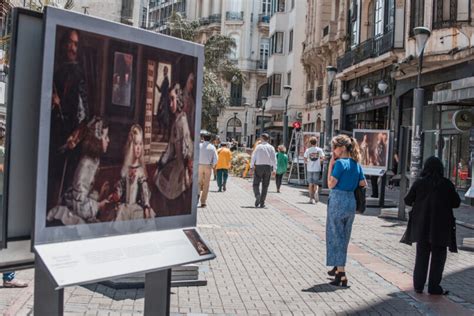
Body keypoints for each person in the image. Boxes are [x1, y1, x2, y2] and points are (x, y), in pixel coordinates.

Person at [401, 156, 460, 295]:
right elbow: (456, 203)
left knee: (421, 256)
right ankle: (434, 287)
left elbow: (408, 200)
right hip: (441, 228)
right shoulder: (447, 184)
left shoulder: (419, 183)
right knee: (438, 258)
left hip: (422, 226)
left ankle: (418, 286)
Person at [49, 29, 90, 209]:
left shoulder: (79, 73)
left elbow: (83, 111)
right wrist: (52, 102)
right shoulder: (57, 70)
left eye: (75, 44)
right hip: (55, 133)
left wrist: (76, 134)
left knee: (66, 186)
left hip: (71, 138)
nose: (71, 48)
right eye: (69, 43)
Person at [47, 117, 111, 225]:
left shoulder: (94, 160)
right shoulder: (87, 164)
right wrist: (99, 206)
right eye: (105, 136)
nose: (108, 140)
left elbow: (85, 192)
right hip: (72, 214)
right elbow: (78, 205)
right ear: (97, 140)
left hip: (79, 209)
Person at [326, 135, 367, 287]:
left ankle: (341, 273)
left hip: (338, 199)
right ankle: (338, 269)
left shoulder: (340, 164)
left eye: (334, 147)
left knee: (335, 235)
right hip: (351, 201)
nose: (333, 151)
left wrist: (331, 165)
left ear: (341, 148)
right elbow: (363, 183)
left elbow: (330, 184)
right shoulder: (356, 164)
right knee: (344, 236)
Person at [154, 84, 193, 202]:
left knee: (174, 189)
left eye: (173, 99)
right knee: (159, 178)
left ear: (179, 100)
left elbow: (187, 149)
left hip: (184, 165)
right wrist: (161, 164)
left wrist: (186, 169)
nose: (171, 104)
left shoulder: (182, 121)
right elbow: (170, 149)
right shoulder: (175, 122)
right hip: (178, 163)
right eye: (169, 100)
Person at [110, 124, 156, 221]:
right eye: (136, 144)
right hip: (125, 207)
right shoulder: (126, 168)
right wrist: (117, 194)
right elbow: (121, 185)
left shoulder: (140, 170)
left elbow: (144, 190)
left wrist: (146, 206)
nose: (138, 148)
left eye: (140, 144)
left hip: (136, 208)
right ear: (131, 146)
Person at [250, 133, 276, 208]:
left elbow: (253, 156)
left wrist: (251, 167)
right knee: (265, 186)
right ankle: (262, 202)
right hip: (268, 167)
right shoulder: (271, 147)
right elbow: (274, 159)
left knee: (256, 184)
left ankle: (257, 195)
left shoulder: (258, 147)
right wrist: (274, 169)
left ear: (262, 138)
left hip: (259, 167)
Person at [198, 131, 218, 207]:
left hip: (199, 165)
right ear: (210, 139)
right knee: (206, 184)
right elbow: (216, 159)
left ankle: (197, 195)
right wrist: (212, 165)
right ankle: (203, 202)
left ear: (203, 138)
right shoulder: (212, 147)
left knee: (198, 182)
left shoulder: (199, 146)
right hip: (208, 166)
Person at [303, 137, 325, 203]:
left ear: (310, 143)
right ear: (317, 142)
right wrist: (319, 161)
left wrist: (308, 162)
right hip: (317, 168)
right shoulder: (319, 150)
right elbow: (323, 158)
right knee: (316, 183)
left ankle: (311, 199)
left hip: (309, 169)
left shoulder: (308, 150)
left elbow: (305, 159)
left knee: (310, 184)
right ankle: (316, 192)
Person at [156, 66, 171, 141]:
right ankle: (160, 131)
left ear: (167, 72)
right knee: (160, 117)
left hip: (164, 101)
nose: (164, 72)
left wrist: (155, 84)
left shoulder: (166, 80)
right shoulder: (165, 79)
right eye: (163, 70)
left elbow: (161, 90)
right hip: (163, 100)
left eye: (165, 71)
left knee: (162, 117)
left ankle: (163, 134)